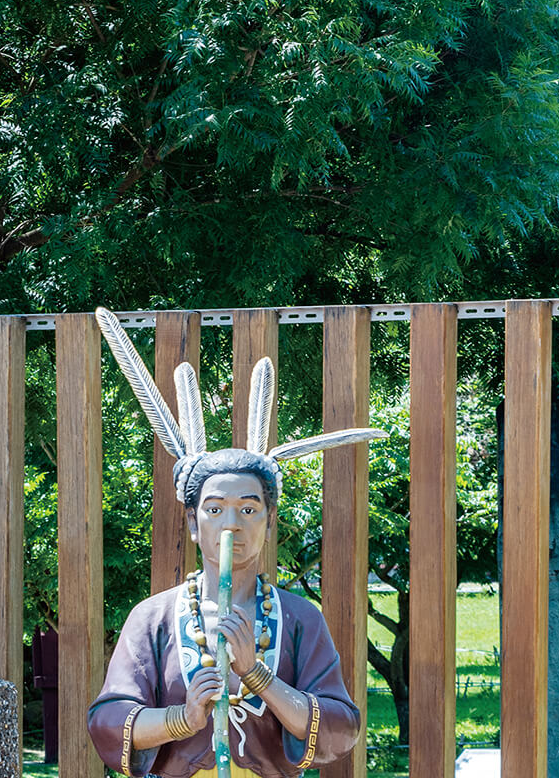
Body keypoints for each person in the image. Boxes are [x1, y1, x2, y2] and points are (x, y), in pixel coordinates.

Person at [86, 308, 387, 778]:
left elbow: (341, 729)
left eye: (248, 509)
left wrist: (258, 676)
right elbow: (106, 723)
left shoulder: (300, 619)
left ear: (269, 520)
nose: (232, 525)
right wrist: (180, 718)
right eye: (214, 509)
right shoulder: (155, 617)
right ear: (191, 522)